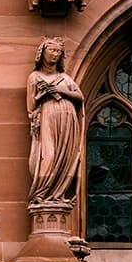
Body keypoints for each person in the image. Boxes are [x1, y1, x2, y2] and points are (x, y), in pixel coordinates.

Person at [27, 37, 84, 205]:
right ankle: (42, 193)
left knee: (65, 156)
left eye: (58, 52)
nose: (55, 54)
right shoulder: (35, 77)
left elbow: (79, 96)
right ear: (42, 53)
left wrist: (61, 90)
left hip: (68, 119)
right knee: (49, 155)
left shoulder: (64, 78)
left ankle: (59, 193)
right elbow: (30, 106)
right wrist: (43, 94)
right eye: (51, 50)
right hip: (47, 117)